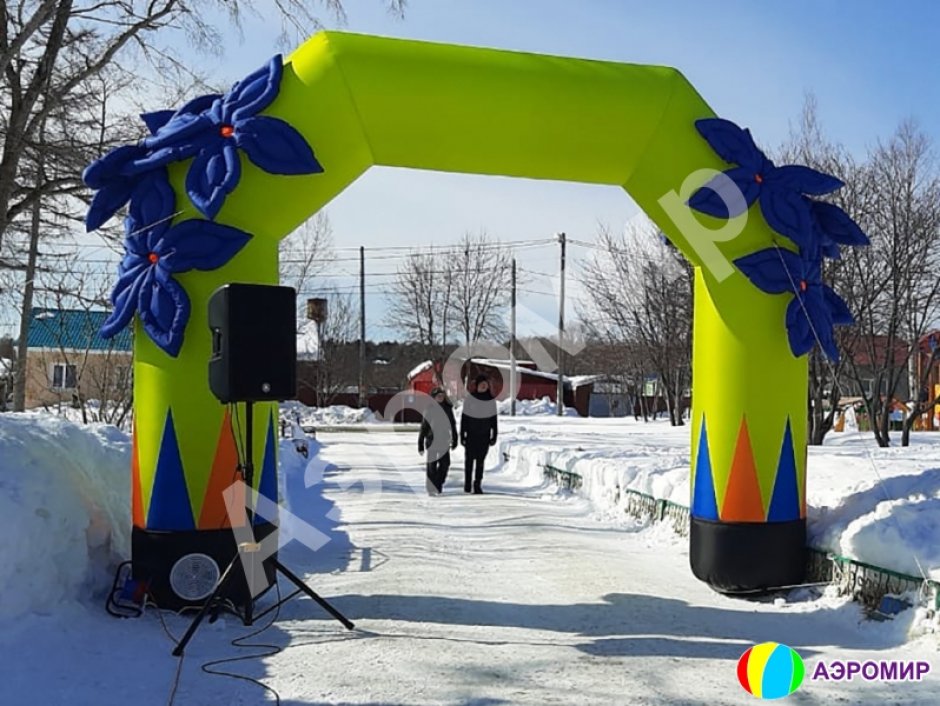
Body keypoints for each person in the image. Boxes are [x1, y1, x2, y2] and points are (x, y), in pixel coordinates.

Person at [460, 374, 498, 494]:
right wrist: (462, 435)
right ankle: (467, 483)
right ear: (476, 386)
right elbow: (464, 418)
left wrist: (494, 435)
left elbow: (494, 419)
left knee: (480, 462)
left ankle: (477, 484)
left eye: (485, 385)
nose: (483, 387)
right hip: (471, 434)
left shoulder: (490, 400)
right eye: (481, 385)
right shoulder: (470, 399)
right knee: (469, 461)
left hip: (484, 435)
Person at [418, 386, 458, 495]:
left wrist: (455, 438)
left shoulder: (447, 408)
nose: (440, 398)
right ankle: (431, 487)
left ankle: (438, 483)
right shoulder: (429, 408)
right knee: (432, 465)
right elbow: (424, 427)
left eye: (442, 396)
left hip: (444, 440)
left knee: (445, 464)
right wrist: (420, 443)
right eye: (438, 396)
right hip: (432, 440)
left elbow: (452, 424)